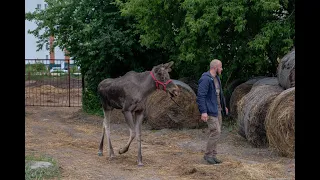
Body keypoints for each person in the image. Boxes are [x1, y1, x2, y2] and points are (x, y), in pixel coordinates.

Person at [196, 59, 228, 164]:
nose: (222, 69)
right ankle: (208, 155)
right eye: (220, 67)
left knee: (216, 133)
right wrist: (203, 112)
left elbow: (219, 94)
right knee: (216, 131)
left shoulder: (216, 78)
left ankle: (213, 156)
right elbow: (201, 96)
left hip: (218, 109)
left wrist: (224, 106)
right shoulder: (205, 79)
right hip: (210, 110)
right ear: (215, 67)